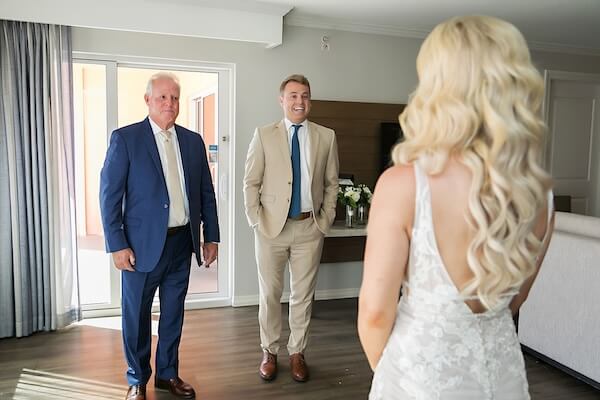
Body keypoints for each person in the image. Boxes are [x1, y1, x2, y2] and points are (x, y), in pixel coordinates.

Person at [358, 16, 555, 399]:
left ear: (437, 86)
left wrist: (394, 375)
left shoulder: (403, 185)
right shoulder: (540, 194)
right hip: (504, 377)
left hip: (419, 379)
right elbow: (514, 300)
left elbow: (375, 315)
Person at [100, 72, 219, 400]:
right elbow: (109, 195)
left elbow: (205, 193)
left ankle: (168, 374)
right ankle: (137, 378)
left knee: (173, 314)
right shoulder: (126, 139)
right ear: (148, 100)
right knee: (136, 316)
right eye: (163, 97)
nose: (170, 103)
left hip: (182, 243)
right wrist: (117, 244)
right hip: (139, 248)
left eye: (175, 98)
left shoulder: (193, 142)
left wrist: (212, 236)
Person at [243, 74, 339, 382]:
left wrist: (325, 218)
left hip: (309, 227)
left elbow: (332, 183)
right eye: (294, 95)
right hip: (271, 228)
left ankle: (297, 352)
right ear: (282, 100)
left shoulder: (326, 136)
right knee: (270, 294)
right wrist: (256, 219)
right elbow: (251, 181)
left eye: (305, 96)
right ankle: (269, 351)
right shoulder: (264, 134)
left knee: (303, 295)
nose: (300, 101)